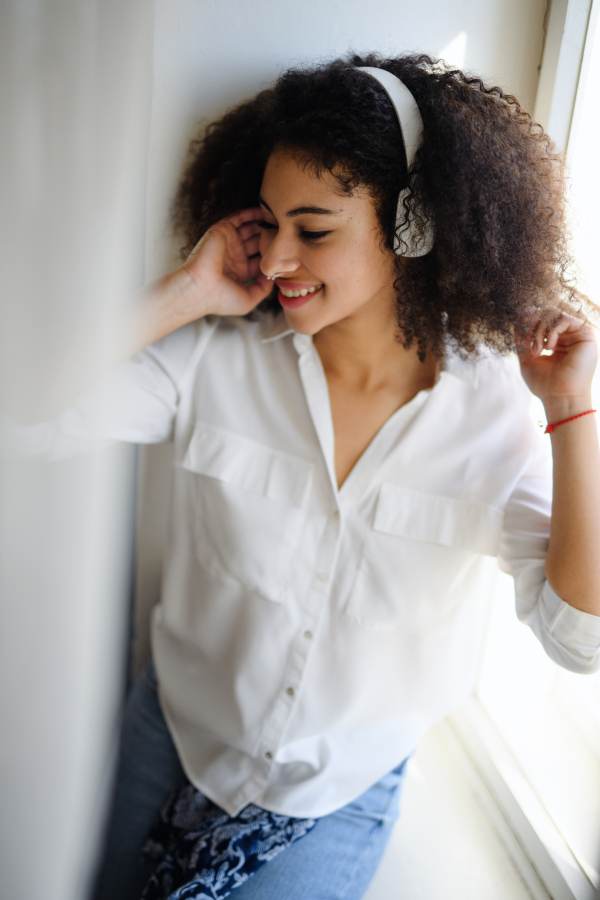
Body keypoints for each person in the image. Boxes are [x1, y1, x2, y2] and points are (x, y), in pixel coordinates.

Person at [8, 53, 600, 900]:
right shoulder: (217, 358)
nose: (280, 257)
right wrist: (184, 291)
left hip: (336, 796)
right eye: (270, 222)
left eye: (314, 229)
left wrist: (571, 411)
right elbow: (22, 416)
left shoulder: (497, 414)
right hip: (169, 736)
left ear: (414, 225)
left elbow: (580, 636)